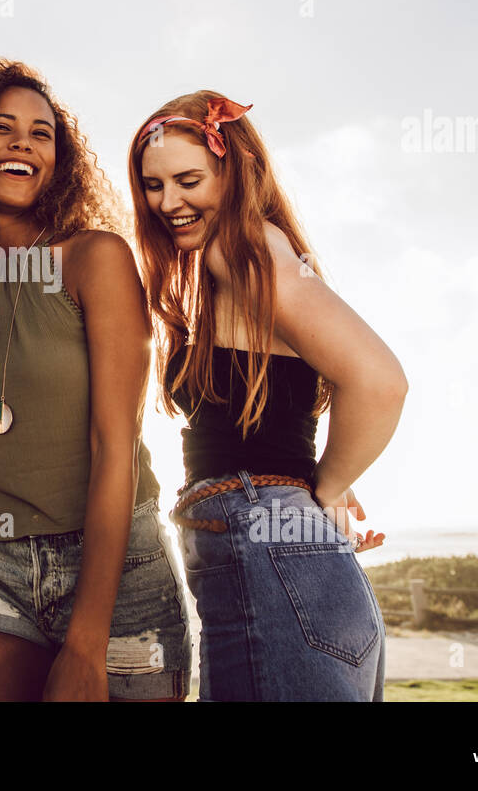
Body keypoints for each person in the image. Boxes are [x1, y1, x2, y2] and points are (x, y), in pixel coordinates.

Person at [0, 59, 191, 701]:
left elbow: (113, 449)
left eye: (41, 134)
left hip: (116, 564)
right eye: (1, 127)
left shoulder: (95, 258)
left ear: (58, 161)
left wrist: (87, 643)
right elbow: (2, 460)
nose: (22, 143)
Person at [127, 90, 406, 701]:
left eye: (188, 179)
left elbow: (381, 382)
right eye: (153, 185)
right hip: (289, 559)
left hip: (267, 549)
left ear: (233, 169)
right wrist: (311, 490)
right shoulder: (251, 252)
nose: (169, 202)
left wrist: (323, 489)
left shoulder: (240, 248)